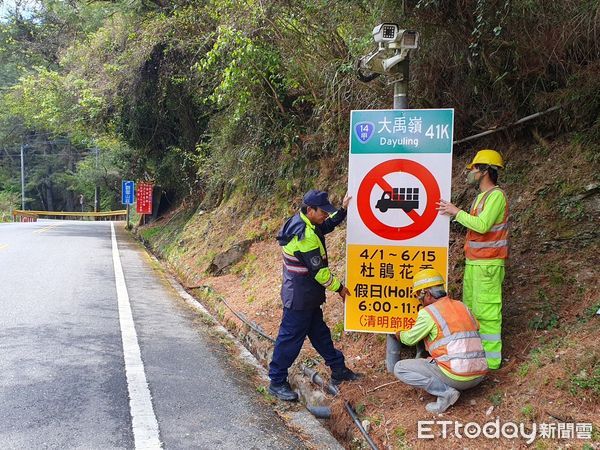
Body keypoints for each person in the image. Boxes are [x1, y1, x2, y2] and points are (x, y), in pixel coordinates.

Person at [268, 189, 361, 401]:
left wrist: (343, 210)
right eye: (323, 212)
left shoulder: (305, 222)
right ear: (310, 210)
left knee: (320, 335)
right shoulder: (305, 235)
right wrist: (339, 288)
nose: (325, 216)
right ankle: (276, 381)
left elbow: (325, 226)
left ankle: (338, 370)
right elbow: (320, 272)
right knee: (289, 340)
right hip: (299, 299)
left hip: (307, 296)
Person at [436, 149, 508, 370]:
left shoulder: (496, 196)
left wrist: (456, 212)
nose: (471, 172)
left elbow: (483, 225)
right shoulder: (480, 197)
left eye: (474, 168)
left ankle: (492, 361)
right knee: (472, 311)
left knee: (487, 312)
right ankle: (476, 357)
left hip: (489, 264)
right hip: (475, 262)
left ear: (485, 171)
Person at [394, 269, 488, 414]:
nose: (420, 301)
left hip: (457, 377)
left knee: (400, 368)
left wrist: (399, 334)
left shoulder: (429, 313)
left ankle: (445, 393)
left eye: (420, 296)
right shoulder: (461, 306)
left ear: (428, 293)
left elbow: (409, 339)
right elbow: (476, 326)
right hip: (479, 374)